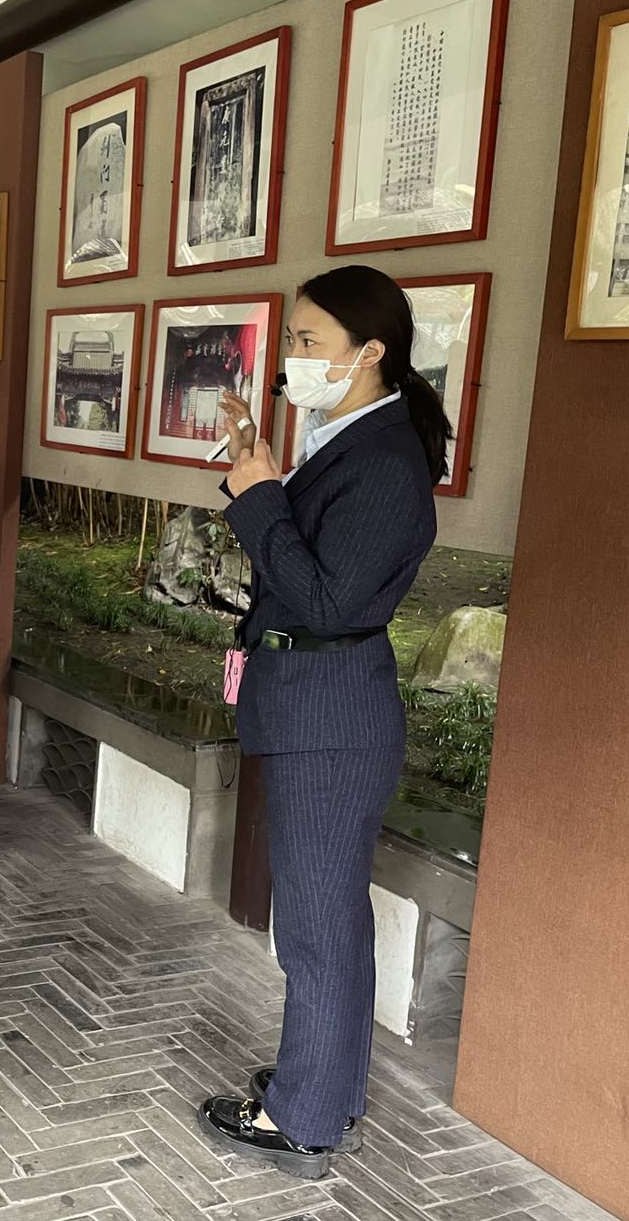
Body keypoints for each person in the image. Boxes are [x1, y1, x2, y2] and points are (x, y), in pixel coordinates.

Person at [196, 265, 448, 1179]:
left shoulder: (384, 461)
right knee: (327, 921)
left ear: (369, 351)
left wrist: (260, 495)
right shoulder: (348, 438)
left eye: (309, 342)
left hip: (331, 719)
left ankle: (300, 1120)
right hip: (314, 710)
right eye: (293, 341)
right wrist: (260, 467)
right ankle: (325, 1088)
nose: (292, 358)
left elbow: (328, 601)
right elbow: (309, 562)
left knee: (315, 928)